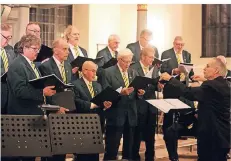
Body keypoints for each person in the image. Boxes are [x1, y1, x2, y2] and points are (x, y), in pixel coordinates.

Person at [160, 58, 230, 161]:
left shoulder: (211, 86)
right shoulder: (224, 84)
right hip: (221, 135)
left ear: (216, 70)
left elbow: (189, 93)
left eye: (207, 66)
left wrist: (171, 79)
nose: (204, 69)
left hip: (212, 136)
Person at [6, 34, 58, 161]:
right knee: (25, 155)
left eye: (38, 49)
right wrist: (42, 93)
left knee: (32, 153)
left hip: (33, 115)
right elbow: (19, 91)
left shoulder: (31, 64)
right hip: (23, 116)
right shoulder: (17, 65)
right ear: (25, 47)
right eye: (35, 49)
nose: (37, 52)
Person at [102, 49, 145, 161]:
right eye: (126, 62)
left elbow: (135, 92)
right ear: (119, 60)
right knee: (112, 147)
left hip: (131, 114)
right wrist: (120, 93)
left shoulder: (133, 72)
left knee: (129, 149)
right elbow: (106, 93)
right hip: (116, 113)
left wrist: (140, 93)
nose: (128, 64)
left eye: (130, 62)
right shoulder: (108, 72)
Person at [160, 36, 195, 161]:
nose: (180, 47)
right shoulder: (166, 54)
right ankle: (172, 152)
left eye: (182, 45)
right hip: (171, 91)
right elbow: (162, 70)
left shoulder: (187, 54)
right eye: (178, 44)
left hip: (183, 91)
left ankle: (180, 135)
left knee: (184, 119)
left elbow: (190, 73)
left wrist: (191, 73)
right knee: (169, 121)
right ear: (173, 43)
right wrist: (174, 70)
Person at [72, 61, 112, 161]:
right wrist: (92, 104)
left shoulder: (97, 85)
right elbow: (75, 101)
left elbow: (101, 101)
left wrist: (105, 105)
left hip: (97, 124)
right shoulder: (75, 85)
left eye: (96, 71)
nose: (95, 74)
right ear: (84, 71)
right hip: (82, 124)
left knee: (95, 154)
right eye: (93, 71)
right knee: (83, 154)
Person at [130, 45, 159, 161]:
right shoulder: (134, 68)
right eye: (150, 57)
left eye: (153, 57)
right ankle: (135, 156)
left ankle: (150, 156)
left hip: (151, 104)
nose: (152, 60)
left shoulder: (154, 68)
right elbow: (132, 84)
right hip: (139, 104)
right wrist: (139, 91)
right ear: (142, 56)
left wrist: (159, 85)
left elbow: (156, 84)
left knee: (151, 133)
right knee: (137, 132)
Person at [1, 23, 16, 114]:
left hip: (10, 94)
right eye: (5, 37)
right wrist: (5, 71)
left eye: (9, 37)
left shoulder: (10, 50)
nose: (7, 40)